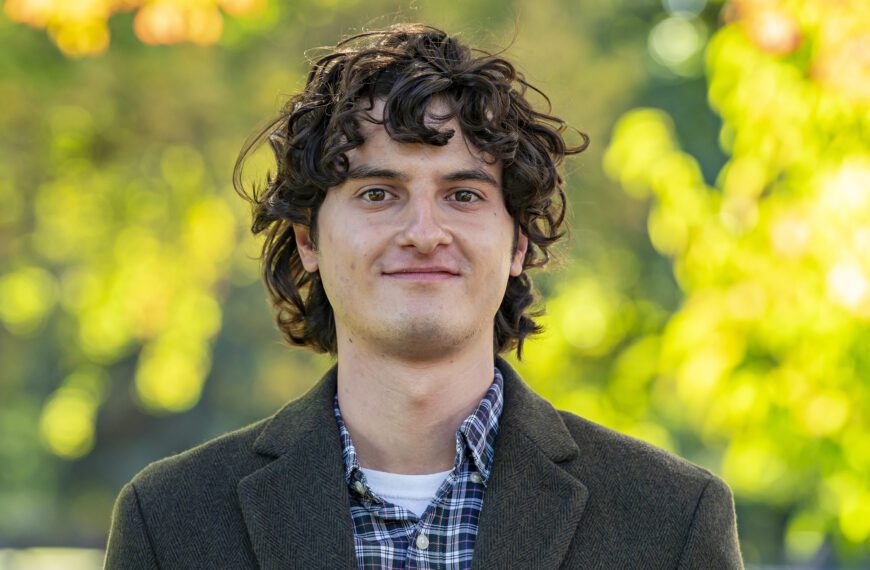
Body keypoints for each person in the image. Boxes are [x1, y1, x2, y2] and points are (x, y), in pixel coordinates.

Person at [104, 23, 743, 569]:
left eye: (463, 195)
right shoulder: (169, 522)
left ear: (518, 243)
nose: (423, 233)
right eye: (378, 193)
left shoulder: (671, 522)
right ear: (308, 240)